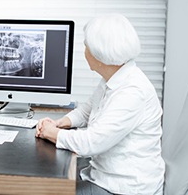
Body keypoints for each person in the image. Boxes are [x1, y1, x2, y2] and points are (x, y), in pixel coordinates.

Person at [35, 13, 165, 195]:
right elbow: (88, 110)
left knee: (45, 190)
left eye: (86, 47)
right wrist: (61, 122)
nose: (84, 51)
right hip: (102, 174)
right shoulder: (115, 77)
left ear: (100, 54)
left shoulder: (133, 92)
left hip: (123, 188)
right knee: (47, 183)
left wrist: (52, 133)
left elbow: (91, 143)